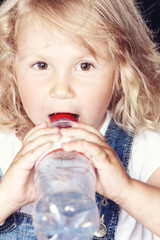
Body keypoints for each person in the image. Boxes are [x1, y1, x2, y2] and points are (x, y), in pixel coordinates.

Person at [0, 0, 160, 239]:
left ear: (120, 73)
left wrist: (125, 190)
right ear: (12, 70)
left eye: (84, 66)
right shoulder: (4, 142)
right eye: (41, 65)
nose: (62, 89)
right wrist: (7, 197)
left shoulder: (141, 148)